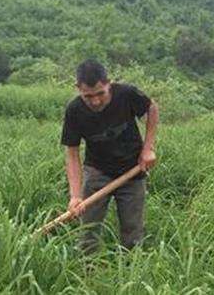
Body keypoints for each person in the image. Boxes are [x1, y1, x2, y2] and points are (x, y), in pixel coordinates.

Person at [61, 59, 159, 254]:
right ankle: (87, 272)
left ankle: (132, 273)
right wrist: (75, 196)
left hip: (132, 171)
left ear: (109, 84)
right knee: (88, 231)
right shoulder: (74, 110)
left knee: (133, 232)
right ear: (78, 88)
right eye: (88, 96)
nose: (96, 101)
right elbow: (72, 154)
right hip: (97, 172)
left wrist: (148, 149)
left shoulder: (127, 94)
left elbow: (151, 108)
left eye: (100, 94)